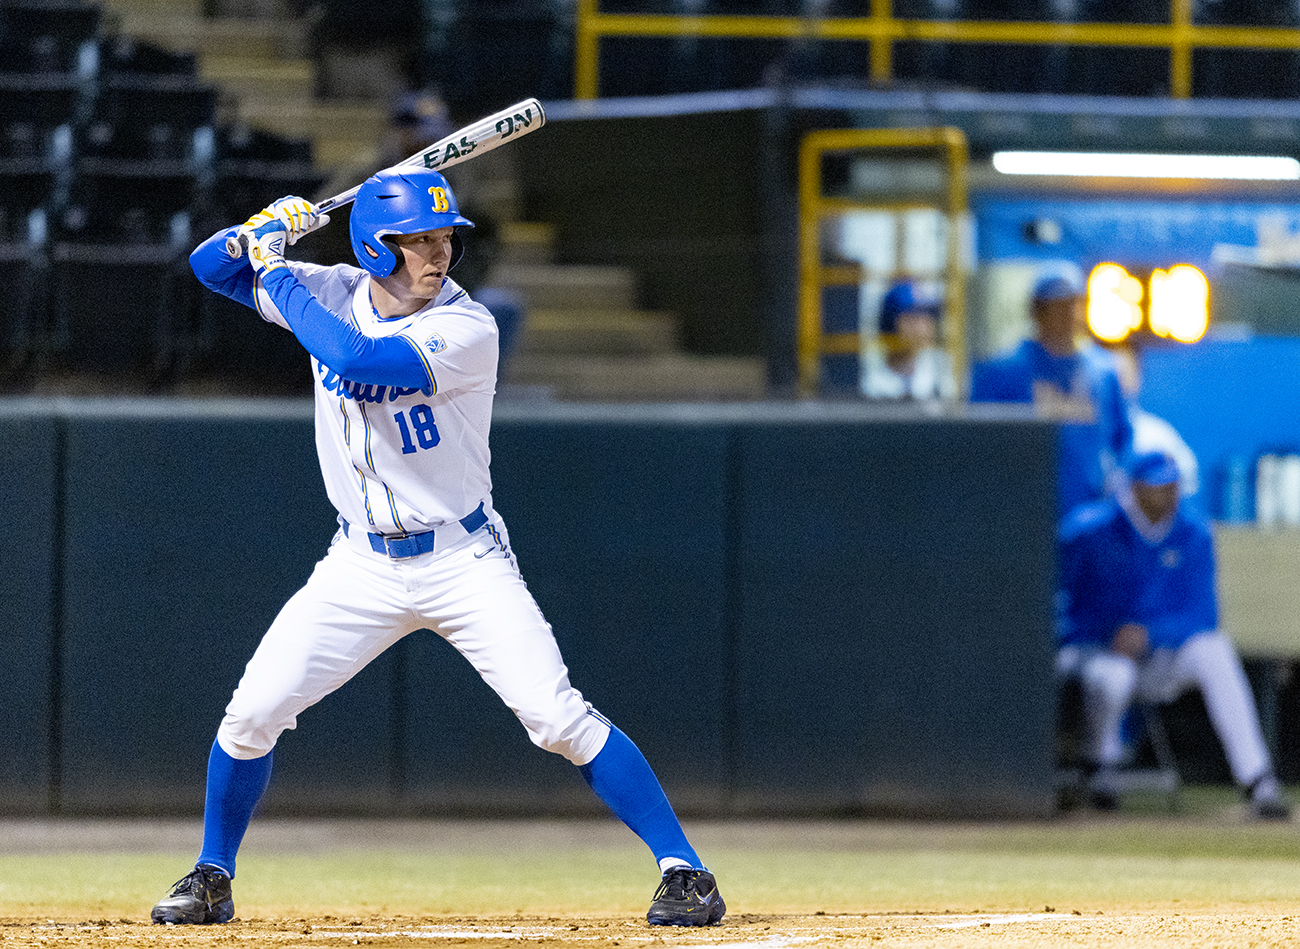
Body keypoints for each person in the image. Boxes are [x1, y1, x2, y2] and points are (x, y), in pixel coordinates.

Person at [149, 170, 726, 927]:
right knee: (251, 714)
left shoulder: (467, 328)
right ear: (371, 246)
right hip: (357, 564)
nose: (438, 252)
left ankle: (686, 870)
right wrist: (260, 232)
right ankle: (212, 872)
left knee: (555, 717)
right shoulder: (327, 289)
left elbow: (355, 360)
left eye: (444, 236)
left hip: (461, 558)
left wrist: (272, 264)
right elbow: (206, 268)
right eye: (415, 240)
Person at [1055, 449, 1290, 819]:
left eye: (1172, 486)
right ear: (1134, 488)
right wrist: (1105, 633)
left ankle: (1258, 781)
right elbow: (1056, 604)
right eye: (1156, 488)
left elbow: (1203, 615)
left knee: (1215, 651)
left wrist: (1151, 634)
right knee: (1113, 675)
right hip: (1094, 653)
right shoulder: (1087, 531)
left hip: (1160, 658)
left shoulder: (1193, 532)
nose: (1167, 495)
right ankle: (1100, 773)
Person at [970, 266, 1134, 519]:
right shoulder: (1003, 373)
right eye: (1055, 306)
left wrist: (1113, 487)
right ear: (1036, 310)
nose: (1065, 315)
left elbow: (1122, 440)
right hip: (1022, 516)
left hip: (1089, 515)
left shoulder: (1102, 373)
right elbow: (978, 445)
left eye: (1071, 304)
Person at [860, 280, 957, 402]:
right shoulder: (873, 386)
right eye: (913, 319)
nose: (923, 327)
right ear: (890, 325)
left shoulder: (940, 377)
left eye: (927, 317)